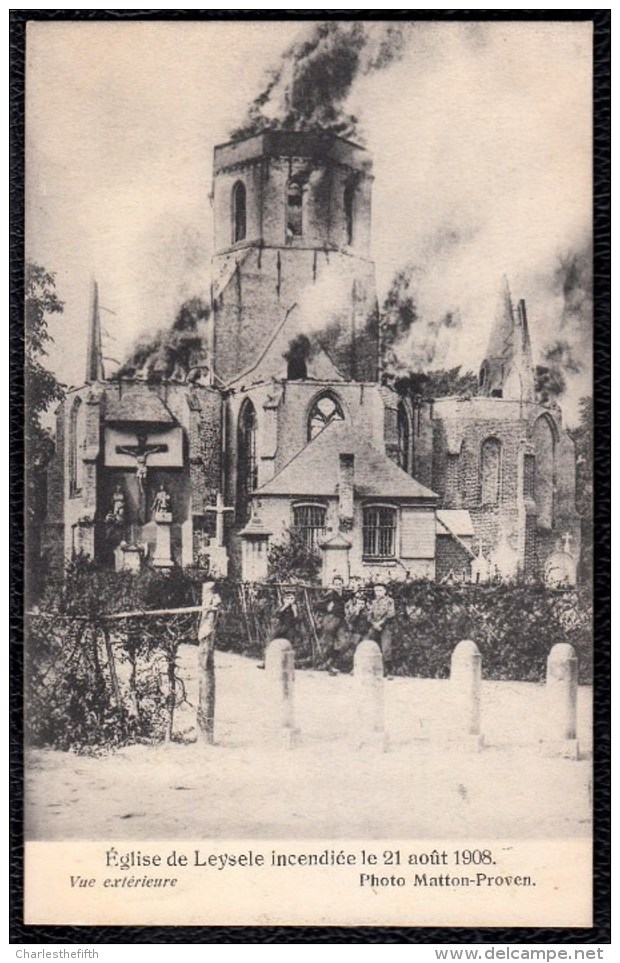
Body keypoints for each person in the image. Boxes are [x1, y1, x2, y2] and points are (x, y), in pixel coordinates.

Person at [318, 575, 349, 674]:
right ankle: (330, 666)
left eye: (340, 584)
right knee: (329, 642)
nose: (338, 586)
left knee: (343, 642)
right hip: (330, 619)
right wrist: (327, 607)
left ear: (343, 585)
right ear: (333, 585)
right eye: (336, 584)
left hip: (341, 620)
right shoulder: (330, 594)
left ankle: (332, 663)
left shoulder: (344, 594)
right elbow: (318, 605)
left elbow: (351, 597)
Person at [367, 582, 396, 678]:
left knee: (386, 648)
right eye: (376, 590)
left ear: (385, 591)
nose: (378, 592)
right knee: (371, 646)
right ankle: (373, 669)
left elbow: (390, 614)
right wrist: (374, 624)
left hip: (386, 626)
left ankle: (389, 671)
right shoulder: (373, 602)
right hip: (375, 626)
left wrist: (380, 623)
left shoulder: (390, 601)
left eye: (380, 590)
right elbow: (369, 615)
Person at [343, 587, 369, 671]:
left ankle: (360, 668)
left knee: (364, 650)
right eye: (359, 603)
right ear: (356, 604)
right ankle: (349, 666)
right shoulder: (353, 611)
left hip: (365, 633)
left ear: (365, 604)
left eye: (362, 603)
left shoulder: (367, 611)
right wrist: (356, 613)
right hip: (356, 632)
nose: (361, 605)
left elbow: (369, 620)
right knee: (353, 649)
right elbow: (350, 620)